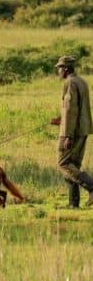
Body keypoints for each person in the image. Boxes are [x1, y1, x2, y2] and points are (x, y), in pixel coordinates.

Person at [49, 55, 93, 208]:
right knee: (72, 166)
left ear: (66, 69)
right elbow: (76, 109)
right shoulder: (82, 81)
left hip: (71, 132)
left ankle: (92, 187)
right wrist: (60, 120)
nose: (58, 71)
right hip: (83, 129)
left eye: (60, 68)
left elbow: (70, 110)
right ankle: (73, 204)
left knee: (63, 164)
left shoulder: (69, 83)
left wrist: (67, 134)